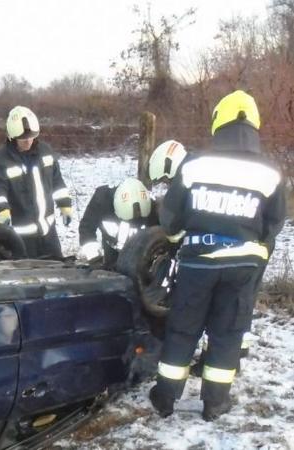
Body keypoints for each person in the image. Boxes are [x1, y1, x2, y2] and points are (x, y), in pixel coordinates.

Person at [149, 90, 287, 421]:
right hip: (243, 264)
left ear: (218, 122)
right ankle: (215, 403)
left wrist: (179, 240)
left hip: (198, 262)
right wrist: (255, 249)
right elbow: (274, 222)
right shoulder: (272, 172)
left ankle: (165, 398)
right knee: (227, 335)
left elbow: (170, 217)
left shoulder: (195, 164)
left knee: (183, 328)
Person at [148, 139, 255, 375]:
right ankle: (225, 355)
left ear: (170, 166)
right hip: (248, 247)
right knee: (232, 307)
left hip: (218, 252)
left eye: (166, 179)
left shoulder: (190, 172)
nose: (168, 184)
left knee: (210, 308)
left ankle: (224, 357)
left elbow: (173, 219)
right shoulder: (208, 165)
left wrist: (176, 241)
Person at [0, 106, 73, 259]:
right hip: (21, 237)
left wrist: (65, 205)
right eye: (23, 138)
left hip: (48, 234)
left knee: (57, 268)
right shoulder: (0, 161)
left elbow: (57, 181)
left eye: (31, 137)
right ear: (12, 137)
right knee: (27, 272)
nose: (27, 141)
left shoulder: (46, 152)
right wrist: (2, 209)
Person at [78, 177, 158, 268]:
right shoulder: (102, 201)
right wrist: (94, 259)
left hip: (139, 257)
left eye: (137, 217)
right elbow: (86, 229)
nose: (134, 220)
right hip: (111, 251)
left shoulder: (154, 209)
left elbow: (159, 238)